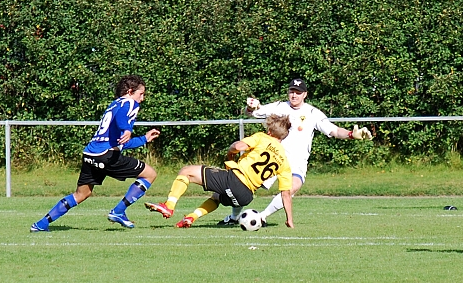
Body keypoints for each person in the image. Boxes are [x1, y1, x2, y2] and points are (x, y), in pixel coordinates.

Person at [217, 78, 373, 227]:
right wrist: (251, 107)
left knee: (293, 187)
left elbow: (334, 131)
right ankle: (234, 217)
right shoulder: (279, 107)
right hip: (272, 157)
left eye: (298, 92)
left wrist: (351, 135)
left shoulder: (313, 113)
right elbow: (251, 113)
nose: (294, 95)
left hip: (297, 162)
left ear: (305, 94)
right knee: (244, 185)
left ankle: (261, 217)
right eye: (292, 91)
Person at [30, 75, 161, 231]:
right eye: (141, 94)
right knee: (150, 174)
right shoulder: (129, 102)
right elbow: (122, 121)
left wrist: (144, 139)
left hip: (90, 154)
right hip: (106, 156)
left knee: (81, 194)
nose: (142, 98)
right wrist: (127, 128)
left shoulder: (114, 105)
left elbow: (120, 142)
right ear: (130, 91)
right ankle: (118, 211)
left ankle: (41, 224)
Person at [144, 114, 295, 228]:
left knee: (186, 171)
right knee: (217, 197)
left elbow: (238, 147)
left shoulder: (262, 138)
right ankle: (191, 217)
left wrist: (230, 154)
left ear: (269, 131)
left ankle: (169, 206)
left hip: (234, 180)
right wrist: (289, 219)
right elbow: (286, 194)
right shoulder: (284, 160)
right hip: (245, 196)